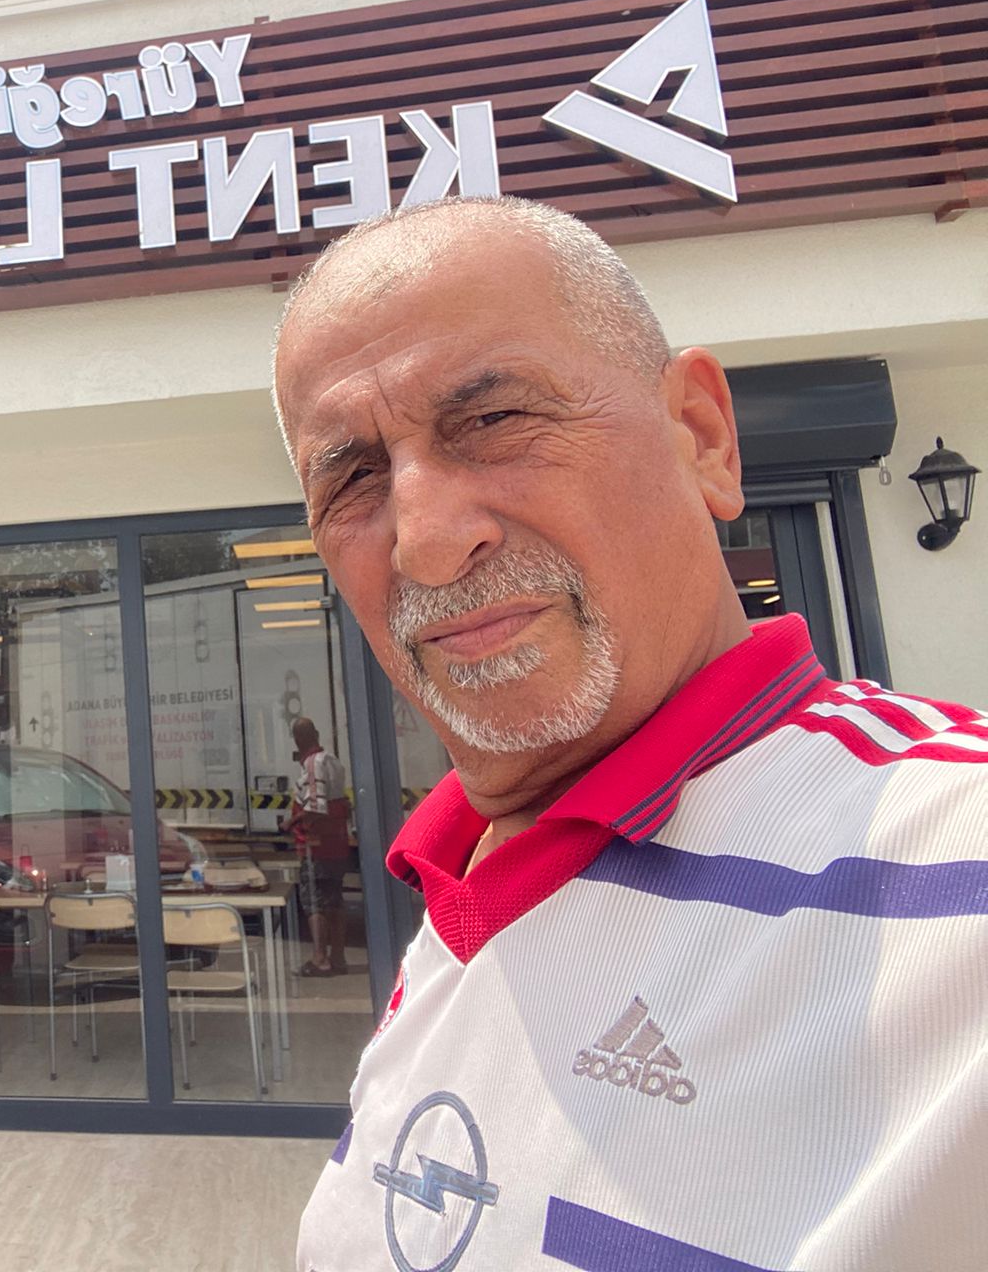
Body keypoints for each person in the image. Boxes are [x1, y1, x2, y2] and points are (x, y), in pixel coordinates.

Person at [271, 195, 988, 1268]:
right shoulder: (460, 891)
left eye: (493, 419)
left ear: (700, 437)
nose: (425, 541)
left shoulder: (953, 878)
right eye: (354, 478)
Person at [285, 716, 350, 977]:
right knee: (334, 900)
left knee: (314, 902)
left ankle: (320, 958)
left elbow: (316, 807)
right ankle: (339, 957)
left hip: (317, 846)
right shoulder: (333, 761)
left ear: (298, 740)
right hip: (337, 845)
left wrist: (291, 822)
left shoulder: (314, 764)